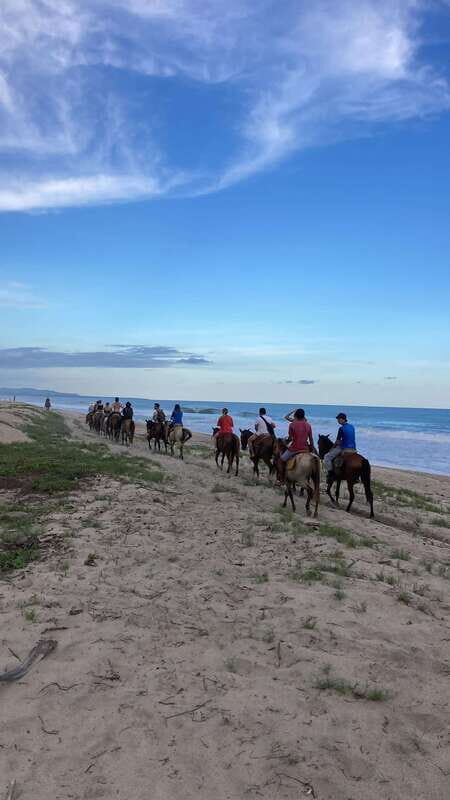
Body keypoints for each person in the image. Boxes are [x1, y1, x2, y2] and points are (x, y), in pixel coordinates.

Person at [278, 408, 314, 481]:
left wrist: (286, 442)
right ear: (303, 416)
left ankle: (281, 479)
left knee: (280, 460)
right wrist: (311, 448)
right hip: (305, 448)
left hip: (295, 448)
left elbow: (290, 439)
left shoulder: (292, 424)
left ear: (295, 415)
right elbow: (311, 439)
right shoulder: (308, 425)